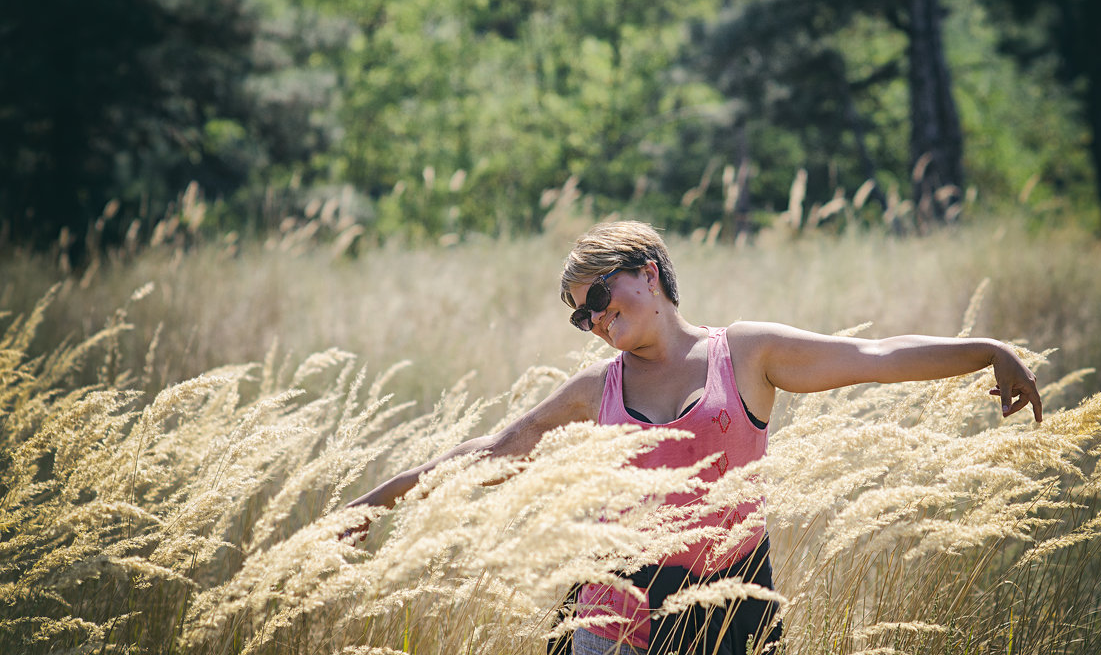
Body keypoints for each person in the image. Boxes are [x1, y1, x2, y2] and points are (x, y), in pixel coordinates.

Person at [345, 221, 1042, 655]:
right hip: (613, 610)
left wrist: (985, 349)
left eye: (598, 296)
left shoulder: (745, 354)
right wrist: (372, 504)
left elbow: (880, 356)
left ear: (649, 273)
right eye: (578, 314)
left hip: (732, 601)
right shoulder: (598, 388)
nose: (592, 318)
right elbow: (496, 449)